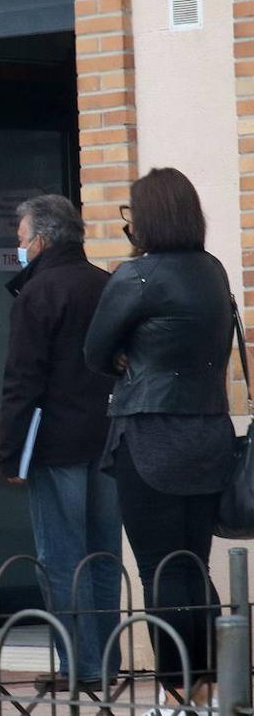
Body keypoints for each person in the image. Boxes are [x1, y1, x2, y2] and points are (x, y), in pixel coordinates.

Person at [84, 168, 235, 692]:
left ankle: (178, 688)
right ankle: (216, 683)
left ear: (144, 218)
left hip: (149, 438)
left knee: (160, 571)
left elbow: (94, 351)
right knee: (194, 566)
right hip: (209, 434)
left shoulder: (138, 276)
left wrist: (127, 358)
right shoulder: (213, 271)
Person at [0, 195, 119, 692]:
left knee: (62, 555)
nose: (19, 248)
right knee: (103, 553)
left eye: (21, 240)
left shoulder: (39, 294)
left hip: (54, 443)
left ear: (42, 240)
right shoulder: (108, 285)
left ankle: (80, 666)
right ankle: (107, 661)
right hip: (109, 438)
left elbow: (23, 379)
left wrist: (11, 450)